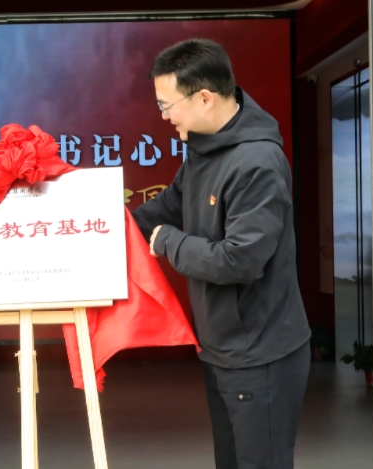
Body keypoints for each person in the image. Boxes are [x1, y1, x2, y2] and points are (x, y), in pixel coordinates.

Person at [132, 39, 310, 469]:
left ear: (205, 98)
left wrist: (168, 241)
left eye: (166, 105)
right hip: (221, 348)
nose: (164, 116)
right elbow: (158, 212)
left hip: (260, 353)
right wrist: (93, 227)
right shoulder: (202, 152)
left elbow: (239, 260)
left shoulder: (257, 163)